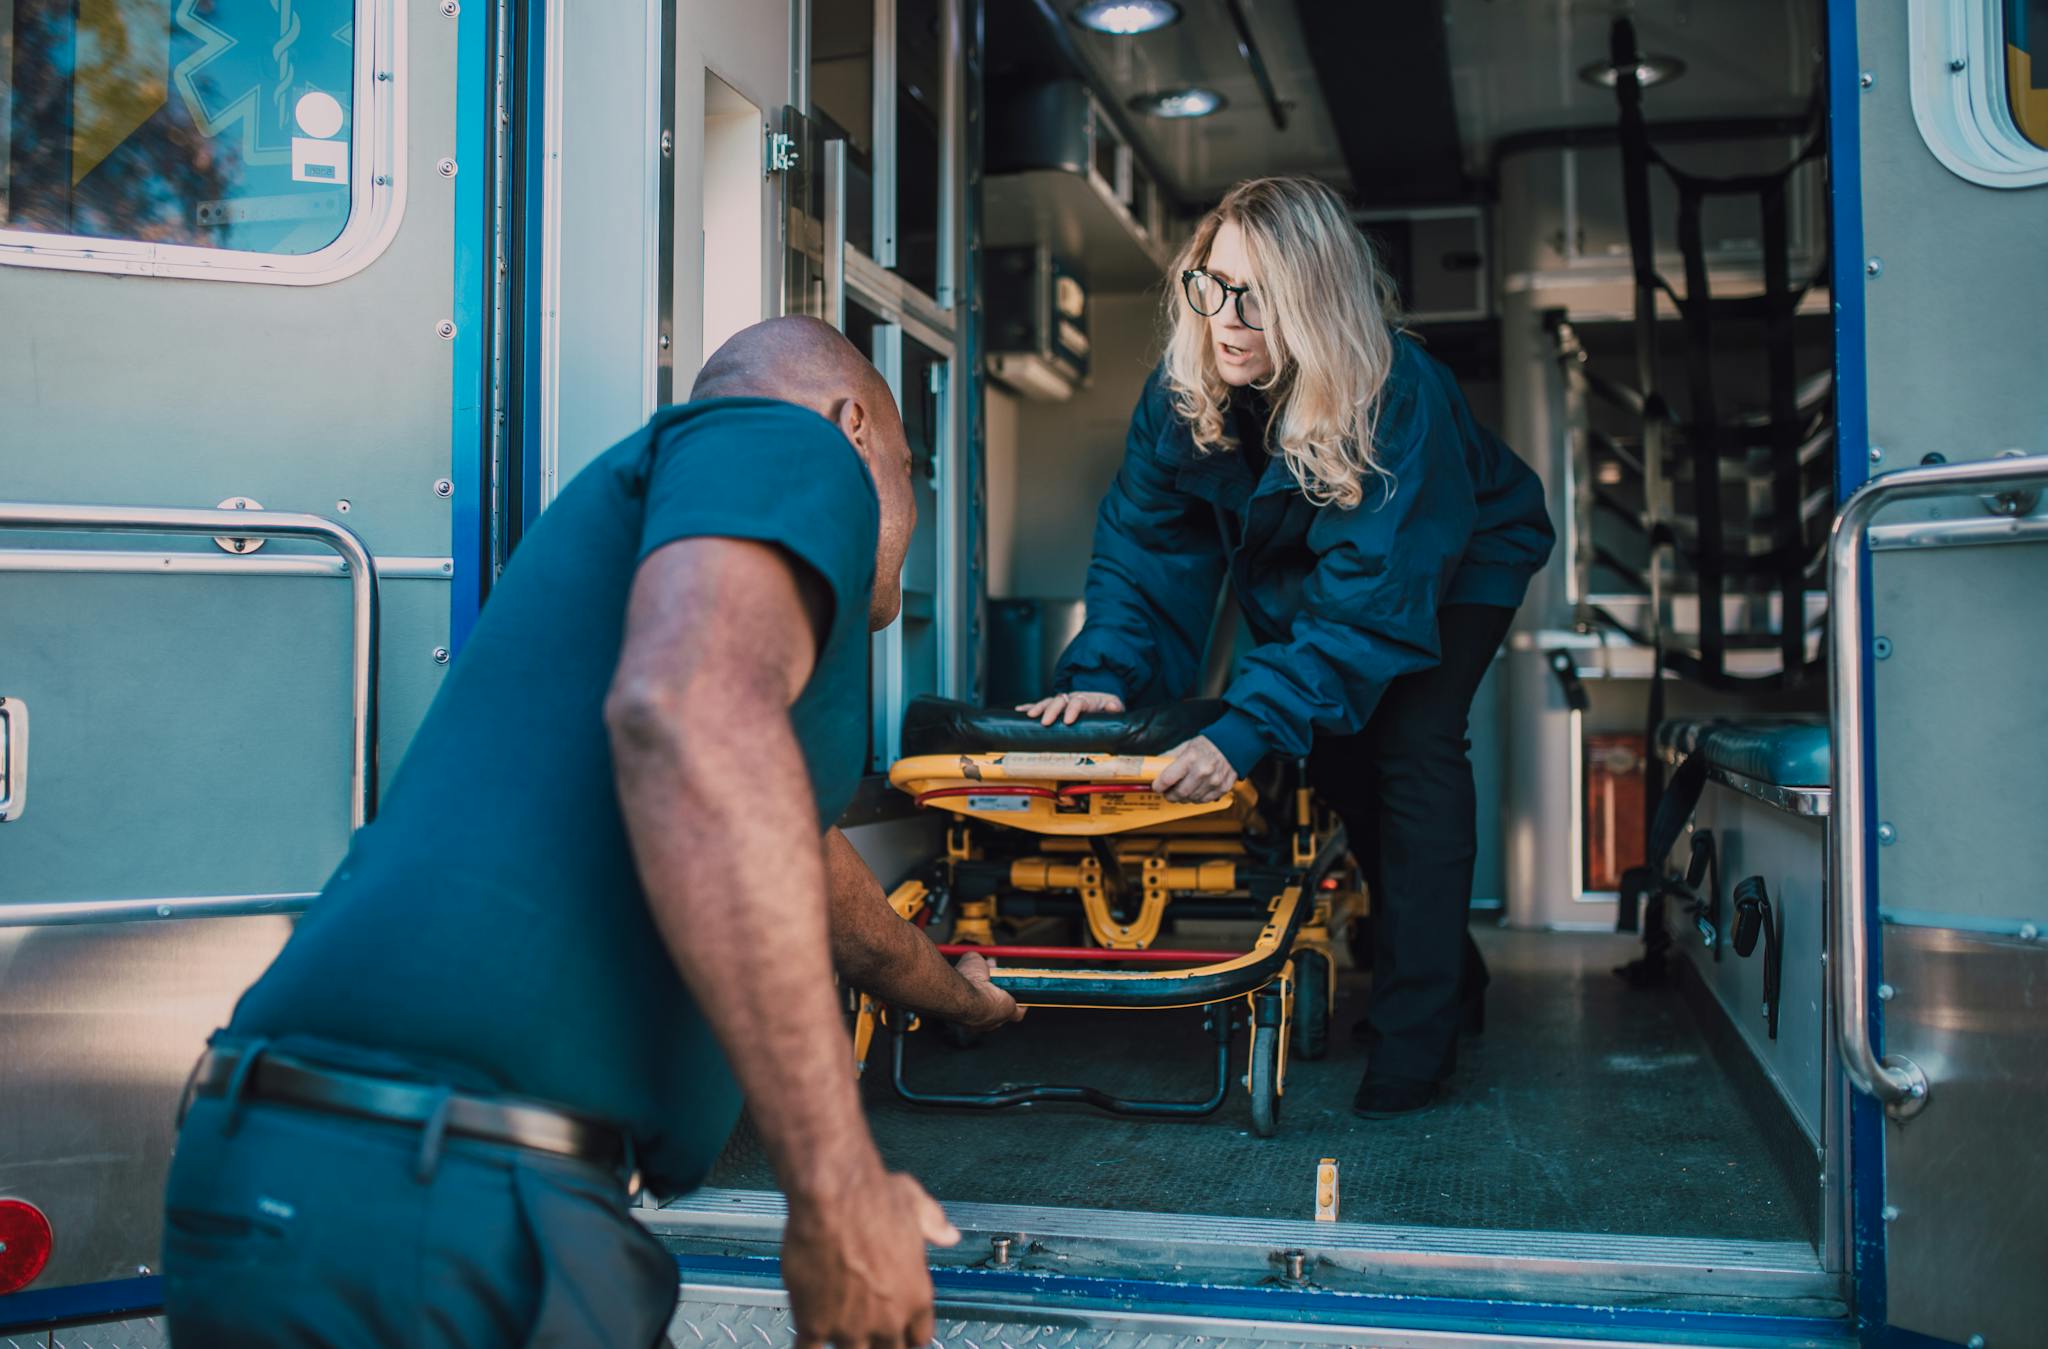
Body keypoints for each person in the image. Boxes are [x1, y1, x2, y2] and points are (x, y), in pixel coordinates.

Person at [161, 316, 1023, 1348]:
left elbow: (796, 866)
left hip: (308, 1169)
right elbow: (688, 723)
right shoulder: (788, 441)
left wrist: (955, 998)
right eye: (908, 466)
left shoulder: (661, 544)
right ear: (854, 427)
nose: (911, 508)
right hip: (443, 1199)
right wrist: (836, 1194)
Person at [1023, 176, 1554, 1119]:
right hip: (1329, 574)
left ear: (1316, 300)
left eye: (1259, 295)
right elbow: (1149, 546)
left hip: (1460, 551)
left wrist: (1242, 730)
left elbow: (1371, 603)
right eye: (1213, 285)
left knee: (1411, 748)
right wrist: (1106, 676)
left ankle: (1416, 1040)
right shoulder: (1186, 391)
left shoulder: (1397, 396)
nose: (1227, 318)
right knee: (1341, 759)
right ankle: (1448, 971)